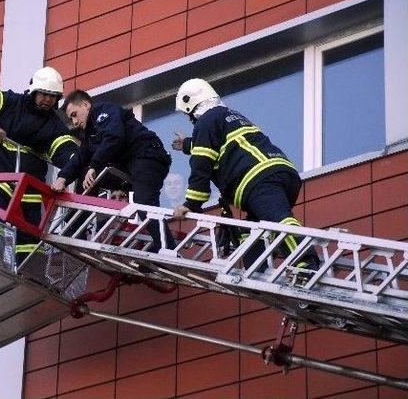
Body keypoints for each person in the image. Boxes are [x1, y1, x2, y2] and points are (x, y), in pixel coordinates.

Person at [171, 78, 319, 272]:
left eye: (188, 115)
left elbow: (202, 165)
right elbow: (226, 143)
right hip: (279, 173)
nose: (191, 120)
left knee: (279, 221)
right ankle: (258, 271)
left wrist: (191, 204)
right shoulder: (229, 115)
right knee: (253, 232)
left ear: (192, 104)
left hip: (259, 179)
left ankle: (307, 264)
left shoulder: (206, 122)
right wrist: (189, 144)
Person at [0, 66, 78, 264]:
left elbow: (65, 151)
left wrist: (82, 165)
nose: (48, 100)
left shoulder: (54, 125)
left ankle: (31, 272)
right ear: (34, 91)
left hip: (29, 187)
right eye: (44, 94)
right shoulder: (12, 103)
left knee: (29, 236)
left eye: (52, 96)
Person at [51, 90, 175, 252]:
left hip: (147, 157)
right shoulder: (90, 135)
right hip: (130, 168)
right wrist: (62, 178)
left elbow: (114, 137)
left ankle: (168, 249)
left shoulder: (104, 111)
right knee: (85, 174)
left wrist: (94, 165)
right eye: (71, 118)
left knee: (144, 202)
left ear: (86, 105)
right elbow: (80, 158)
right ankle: (77, 227)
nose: (74, 121)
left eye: (75, 114)